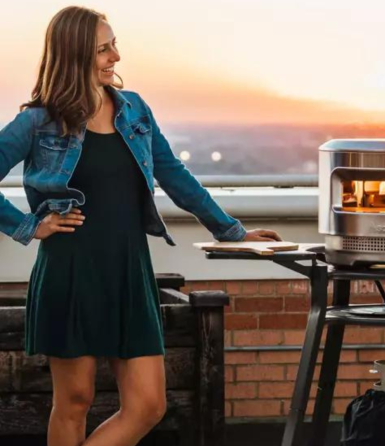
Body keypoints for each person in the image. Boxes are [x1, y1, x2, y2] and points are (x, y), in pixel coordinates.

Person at [0, 6, 280, 446]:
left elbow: (175, 176)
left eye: (114, 45)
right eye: (103, 49)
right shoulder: (39, 121)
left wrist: (232, 232)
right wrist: (28, 226)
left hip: (130, 270)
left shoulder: (134, 111)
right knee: (74, 401)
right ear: (74, 55)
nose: (115, 56)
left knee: (148, 405)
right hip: (70, 270)